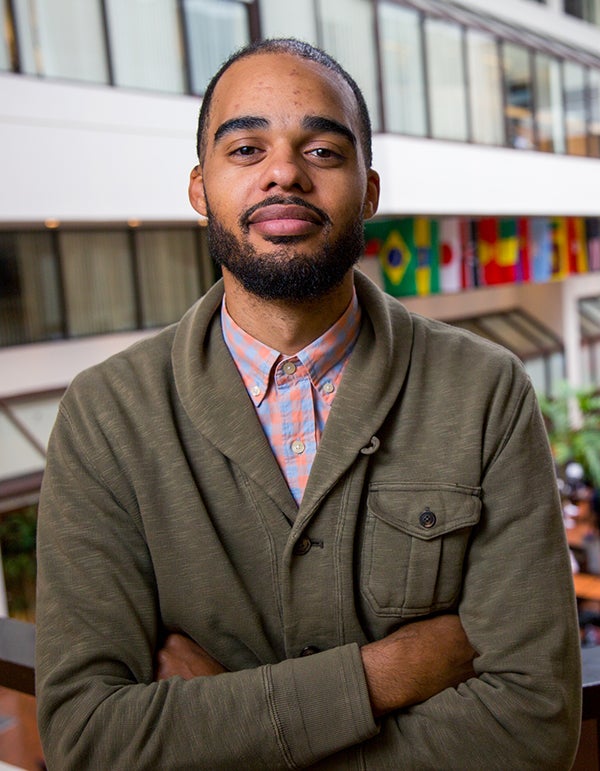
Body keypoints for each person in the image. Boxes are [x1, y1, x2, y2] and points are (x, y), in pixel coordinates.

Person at [35, 38, 581, 769]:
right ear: (200, 188)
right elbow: (88, 736)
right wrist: (385, 675)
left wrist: (230, 725)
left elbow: (533, 724)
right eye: (247, 149)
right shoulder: (106, 414)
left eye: (322, 151)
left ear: (370, 190)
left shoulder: (485, 390)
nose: (284, 172)